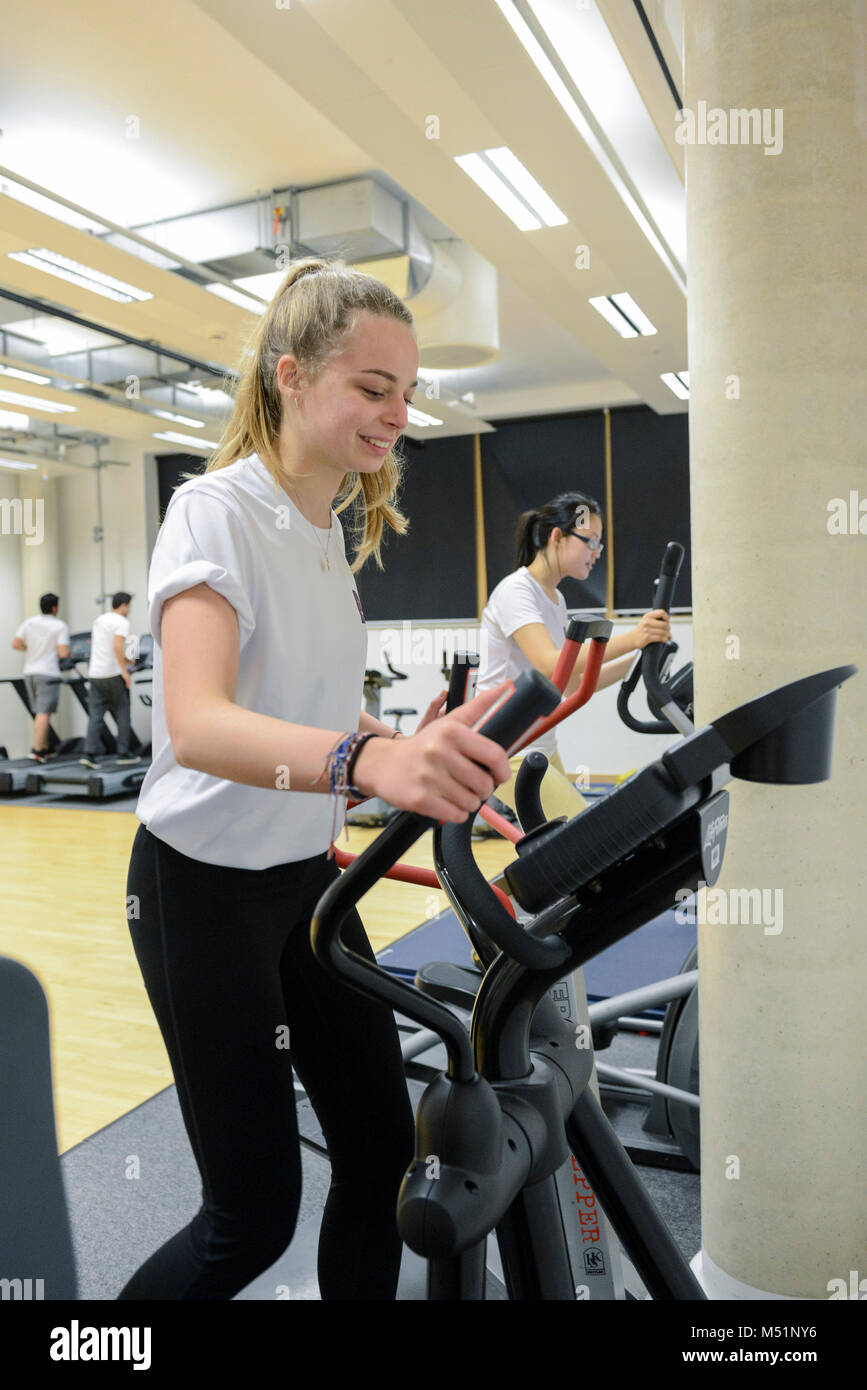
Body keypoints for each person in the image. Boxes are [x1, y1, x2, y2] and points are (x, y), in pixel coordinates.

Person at [117, 257, 511, 1301]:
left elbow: (303, 708)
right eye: (372, 389)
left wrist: (404, 740)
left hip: (301, 887)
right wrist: (367, 759)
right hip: (196, 887)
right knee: (249, 1218)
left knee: (385, 1160)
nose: (397, 414)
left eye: (408, 393)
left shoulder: (328, 525)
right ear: (291, 376)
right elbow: (198, 723)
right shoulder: (215, 511)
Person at [476, 494, 672, 823]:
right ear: (558, 536)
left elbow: (572, 684)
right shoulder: (516, 591)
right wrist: (634, 638)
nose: (597, 553)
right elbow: (552, 664)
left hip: (541, 744)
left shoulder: (555, 599)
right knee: (582, 834)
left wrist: (637, 660)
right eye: (591, 541)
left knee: (558, 844)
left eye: (600, 544)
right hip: (505, 745)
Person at [80, 592, 140, 769]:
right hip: (112, 673)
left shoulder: (100, 620)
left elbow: (105, 646)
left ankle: (89, 754)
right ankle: (123, 752)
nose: (129, 610)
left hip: (96, 673)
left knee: (96, 716)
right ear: (123, 606)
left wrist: (125, 660)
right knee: (122, 711)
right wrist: (124, 671)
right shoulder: (122, 622)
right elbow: (117, 645)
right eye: (128, 606)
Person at [11, 593, 71, 761]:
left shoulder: (29, 622)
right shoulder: (59, 625)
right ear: (55, 608)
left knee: (39, 712)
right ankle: (37, 749)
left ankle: (44, 747)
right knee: (44, 712)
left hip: (30, 671)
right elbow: (63, 652)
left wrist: (32, 650)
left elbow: (16, 643)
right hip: (48, 672)